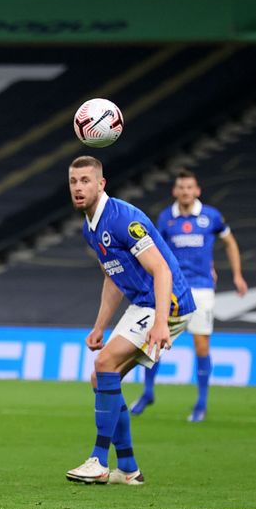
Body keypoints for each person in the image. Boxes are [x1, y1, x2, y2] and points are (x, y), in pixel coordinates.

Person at [64, 156, 195, 486]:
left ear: (101, 184)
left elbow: (161, 269)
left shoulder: (123, 219)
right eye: (73, 181)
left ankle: (98, 460)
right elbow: (113, 276)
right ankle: (128, 468)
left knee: (105, 362)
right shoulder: (89, 228)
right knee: (101, 377)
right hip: (143, 303)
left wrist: (162, 322)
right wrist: (99, 325)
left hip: (170, 301)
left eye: (85, 181)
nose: (78, 187)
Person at [131, 169, 248, 421]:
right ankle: (148, 392)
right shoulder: (166, 218)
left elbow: (230, 242)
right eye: (181, 187)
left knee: (201, 344)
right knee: (156, 340)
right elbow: (155, 252)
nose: (185, 191)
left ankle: (201, 403)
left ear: (197, 191)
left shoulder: (211, 217)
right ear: (175, 191)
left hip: (202, 287)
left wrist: (237, 275)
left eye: (189, 187)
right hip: (172, 288)